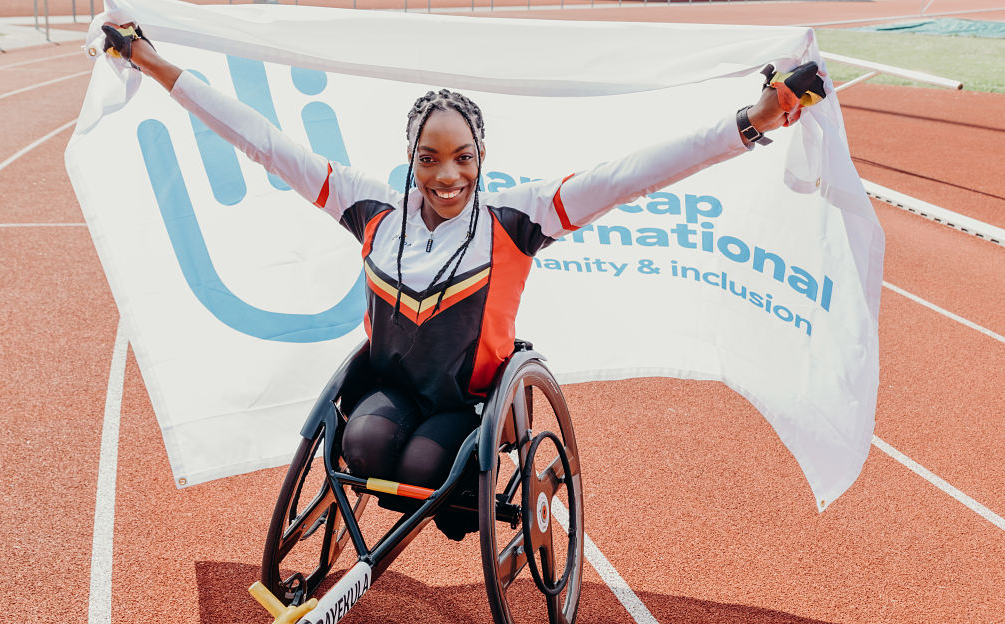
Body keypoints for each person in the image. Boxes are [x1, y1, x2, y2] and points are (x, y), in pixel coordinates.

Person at [102, 24, 809, 538]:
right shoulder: (368, 208)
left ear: (480, 157)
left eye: (463, 158)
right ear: (410, 156)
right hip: (388, 389)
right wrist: (152, 61)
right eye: (431, 158)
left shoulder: (520, 219)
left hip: (467, 406)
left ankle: (452, 505)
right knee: (364, 450)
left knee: (431, 473)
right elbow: (256, 136)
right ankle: (409, 488)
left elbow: (632, 175)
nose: (448, 175)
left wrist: (750, 123)